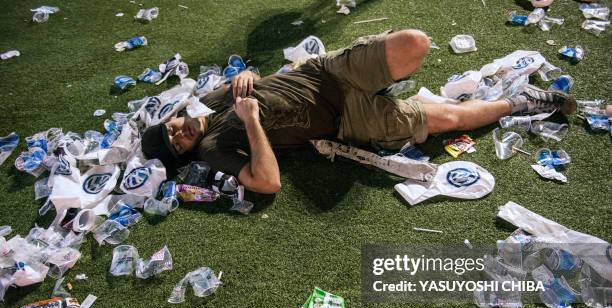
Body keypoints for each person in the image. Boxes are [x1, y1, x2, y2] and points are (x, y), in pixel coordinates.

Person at [141, 29, 576, 194]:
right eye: (176, 144)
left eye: (171, 128)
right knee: (448, 121)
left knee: (415, 43)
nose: (179, 133)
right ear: (186, 153)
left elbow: (259, 78)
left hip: (327, 72)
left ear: (170, 117)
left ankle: (390, 85)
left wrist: (247, 77)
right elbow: (267, 183)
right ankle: (529, 102)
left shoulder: (204, 102)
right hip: (347, 121)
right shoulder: (214, 147)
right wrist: (253, 121)